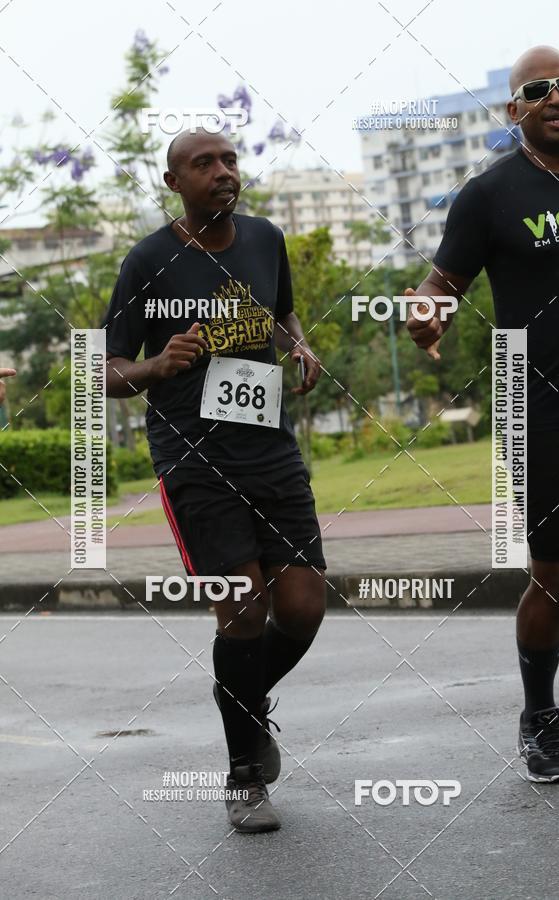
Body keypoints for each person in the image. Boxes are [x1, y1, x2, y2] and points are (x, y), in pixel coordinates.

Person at [102, 129, 326, 831]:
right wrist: (155, 366)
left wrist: (299, 343)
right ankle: (243, 776)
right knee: (244, 610)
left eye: (229, 160)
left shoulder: (264, 238)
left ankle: (244, 702)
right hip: (193, 460)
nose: (224, 172)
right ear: (175, 183)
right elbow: (104, 369)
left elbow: (282, 310)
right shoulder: (149, 260)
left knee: (304, 607)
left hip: (271, 450)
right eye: (204, 164)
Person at [406, 45, 559, 783]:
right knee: (558, 574)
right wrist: (426, 316)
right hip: (546, 409)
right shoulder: (489, 195)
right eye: (539, 90)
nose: (558, 98)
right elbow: (440, 282)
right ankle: (540, 720)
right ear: (515, 109)